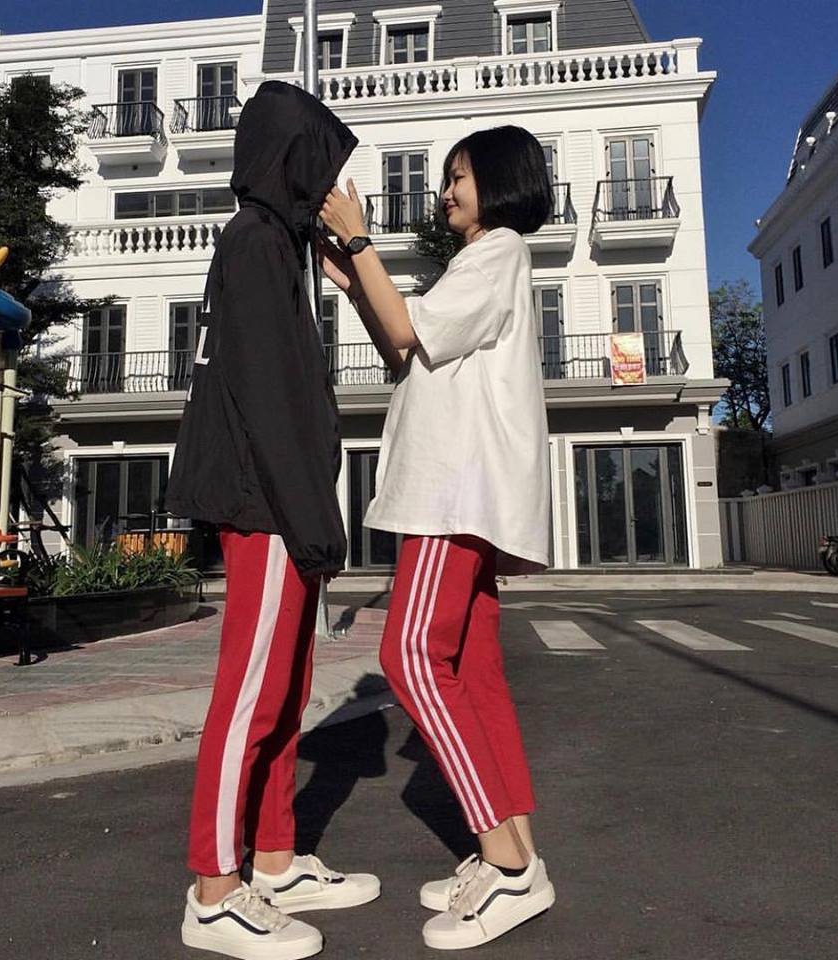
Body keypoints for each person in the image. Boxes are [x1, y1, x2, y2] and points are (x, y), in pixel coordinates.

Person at [319, 125, 555, 951]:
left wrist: (359, 240)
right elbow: (406, 347)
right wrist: (353, 280)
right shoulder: (485, 262)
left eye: (459, 176)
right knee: (475, 674)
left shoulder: (497, 251)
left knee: (411, 657)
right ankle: (515, 855)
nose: (446, 190)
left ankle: (508, 865)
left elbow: (411, 334)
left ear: (499, 181)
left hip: (452, 490)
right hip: (468, 491)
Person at [165, 81, 380, 960]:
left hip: (283, 504)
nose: (329, 186)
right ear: (290, 160)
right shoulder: (254, 241)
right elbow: (267, 399)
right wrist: (311, 517)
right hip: (266, 507)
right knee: (250, 695)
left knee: (286, 693)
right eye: (320, 166)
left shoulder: (275, 247)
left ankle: (277, 860)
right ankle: (216, 891)